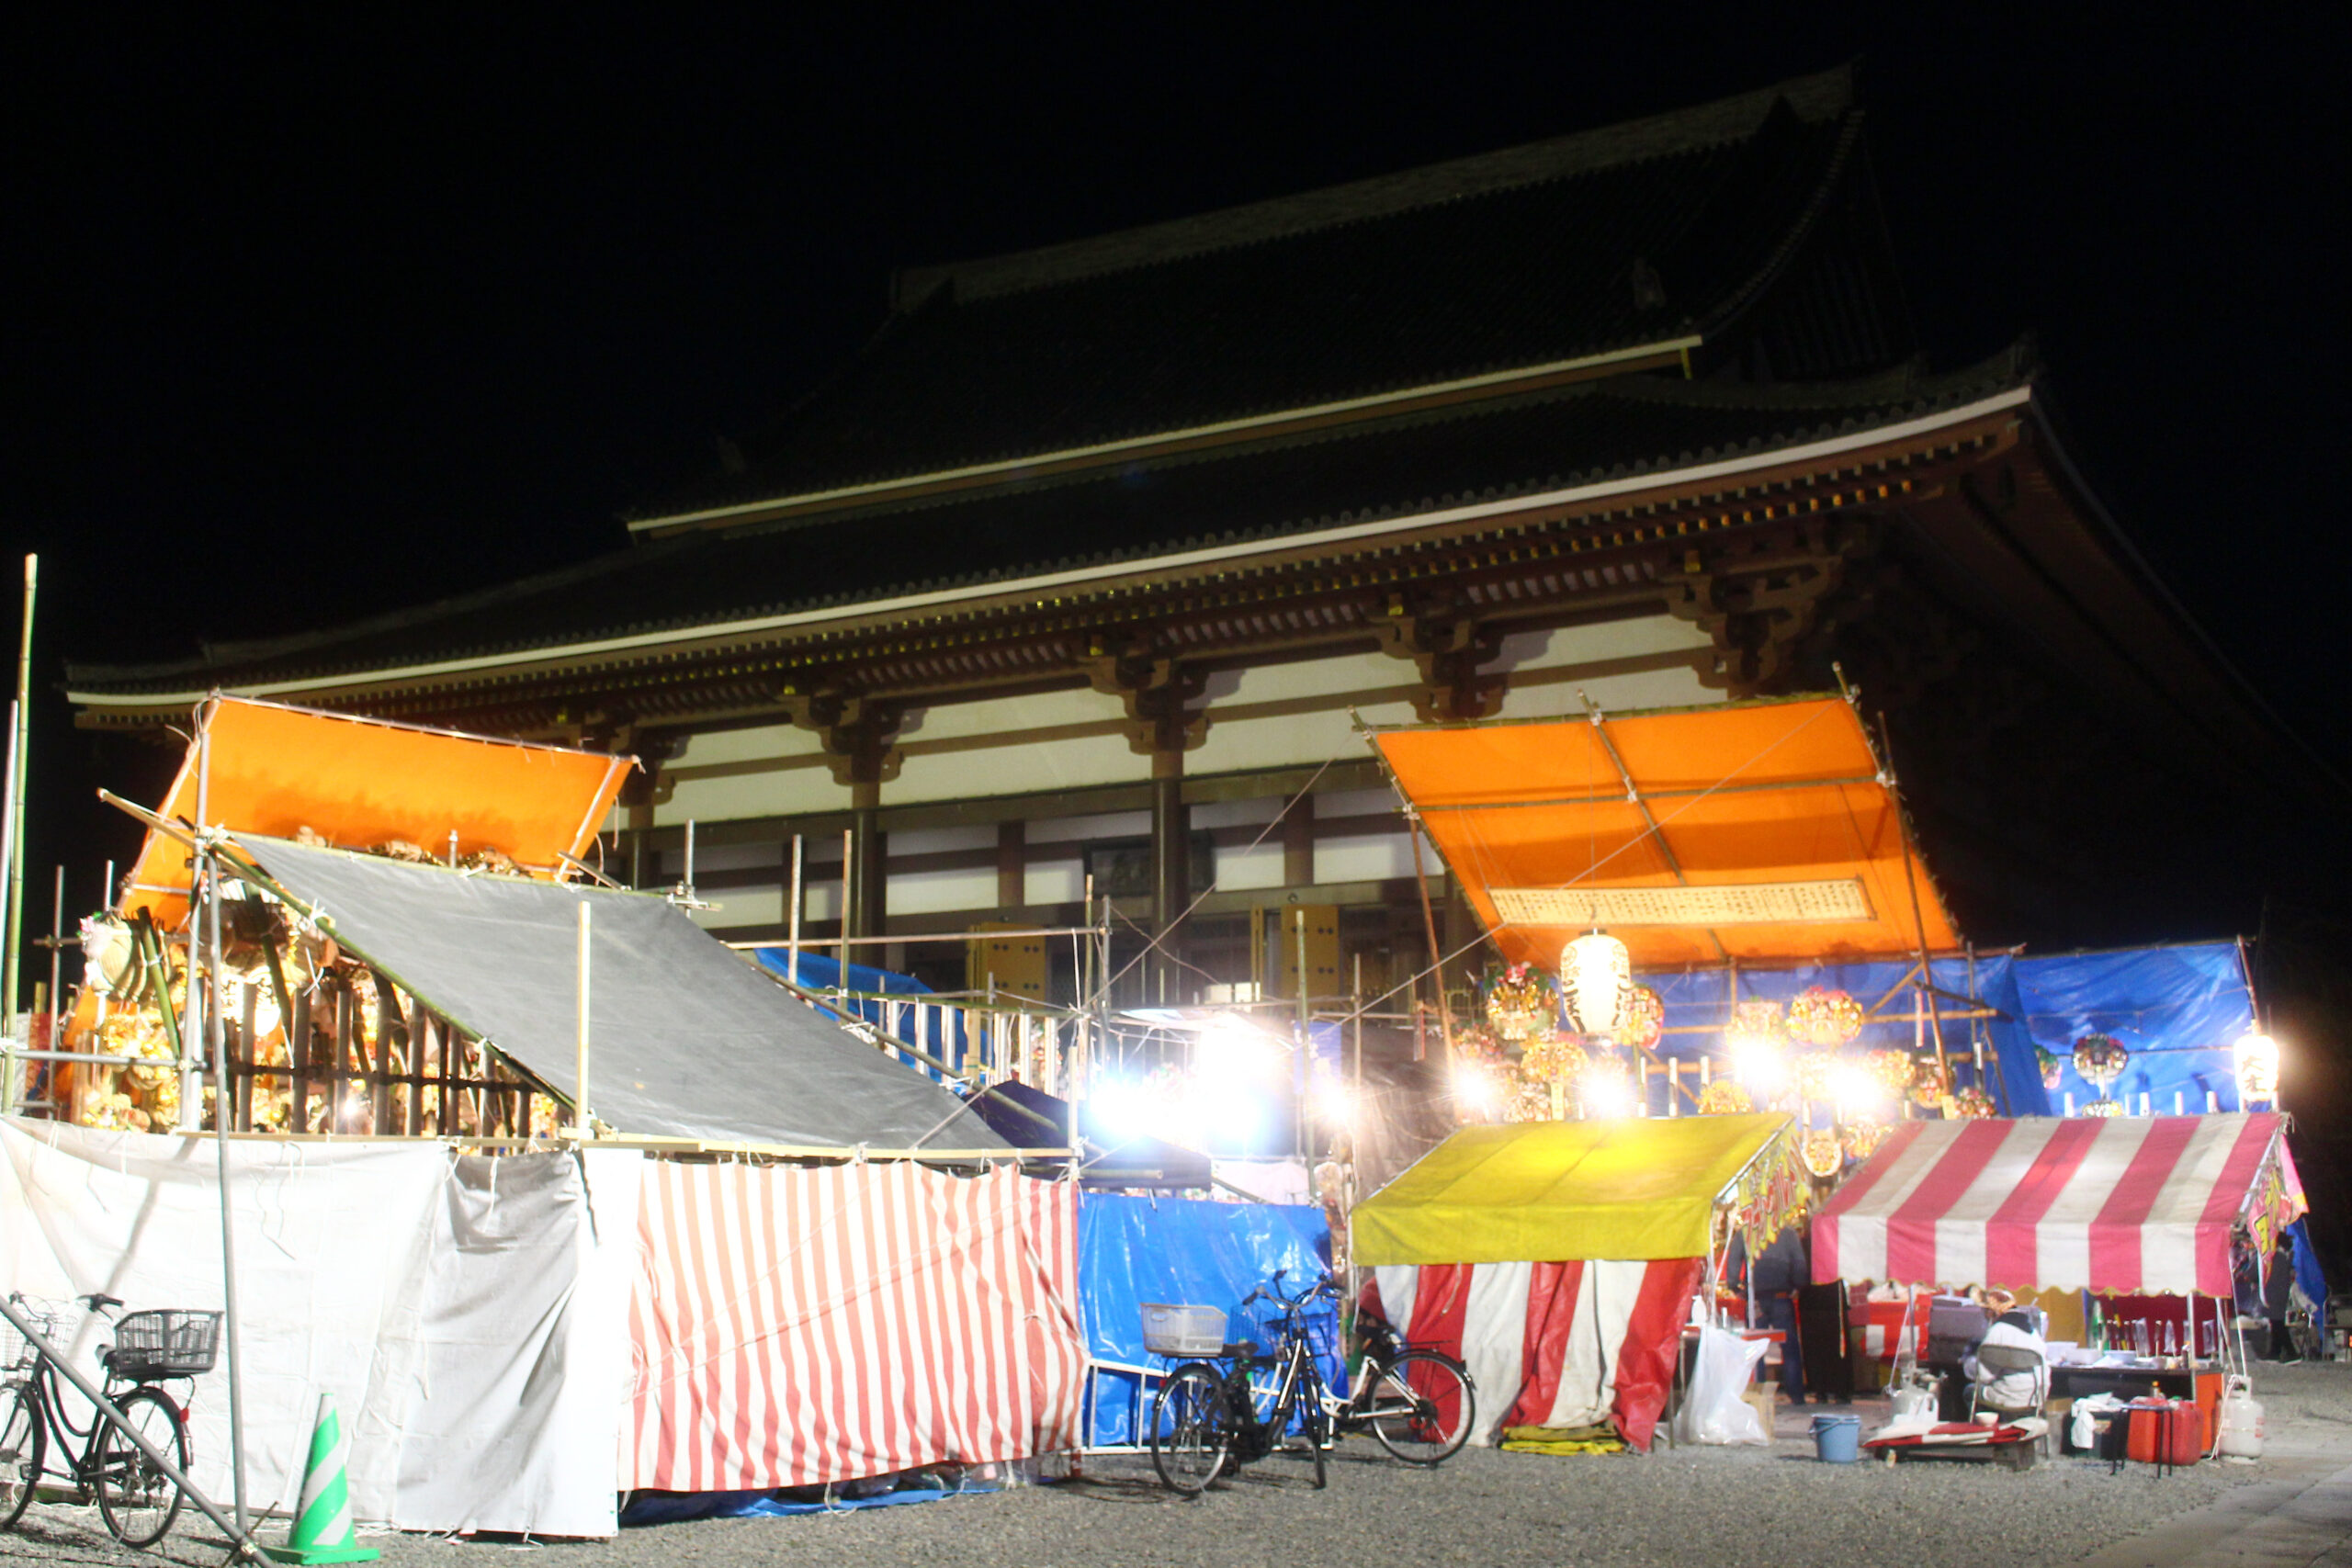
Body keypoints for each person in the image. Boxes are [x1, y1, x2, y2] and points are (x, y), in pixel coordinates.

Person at [1962, 1292, 2049, 1415]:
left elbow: (1983, 1377)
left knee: (1969, 1391)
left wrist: (1968, 1361)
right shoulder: (2034, 1334)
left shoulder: (1996, 1332)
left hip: (2007, 1398)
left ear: (1993, 1312)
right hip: (2035, 1398)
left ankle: (1985, 1430)